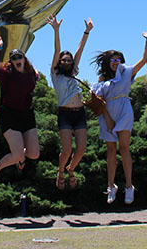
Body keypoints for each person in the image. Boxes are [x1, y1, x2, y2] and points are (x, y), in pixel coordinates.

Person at [91, 32, 147, 205]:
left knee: (124, 148)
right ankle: (111, 186)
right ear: (107, 61)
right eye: (112, 59)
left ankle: (129, 185)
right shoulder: (102, 78)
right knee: (111, 150)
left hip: (124, 110)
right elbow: (99, 100)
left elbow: (143, 59)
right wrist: (108, 119)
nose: (115, 62)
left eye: (118, 59)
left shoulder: (126, 72)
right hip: (107, 113)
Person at [0, 32, 40, 189]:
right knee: (17, 154)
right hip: (9, 115)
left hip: (27, 114)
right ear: (11, 62)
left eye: (19, 57)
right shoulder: (7, 75)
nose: (17, 60)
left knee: (34, 154)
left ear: (24, 59)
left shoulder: (31, 74)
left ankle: (20, 156)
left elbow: (34, 78)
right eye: (14, 58)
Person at [48, 15, 93, 190]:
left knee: (81, 150)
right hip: (65, 114)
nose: (66, 62)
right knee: (66, 150)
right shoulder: (55, 74)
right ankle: (61, 171)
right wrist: (56, 30)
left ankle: (71, 169)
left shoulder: (74, 72)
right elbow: (56, 50)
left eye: (69, 60)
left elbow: (80, 50)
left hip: (79, 113)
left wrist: (87, 31)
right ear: (59, 62)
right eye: (64, 60)